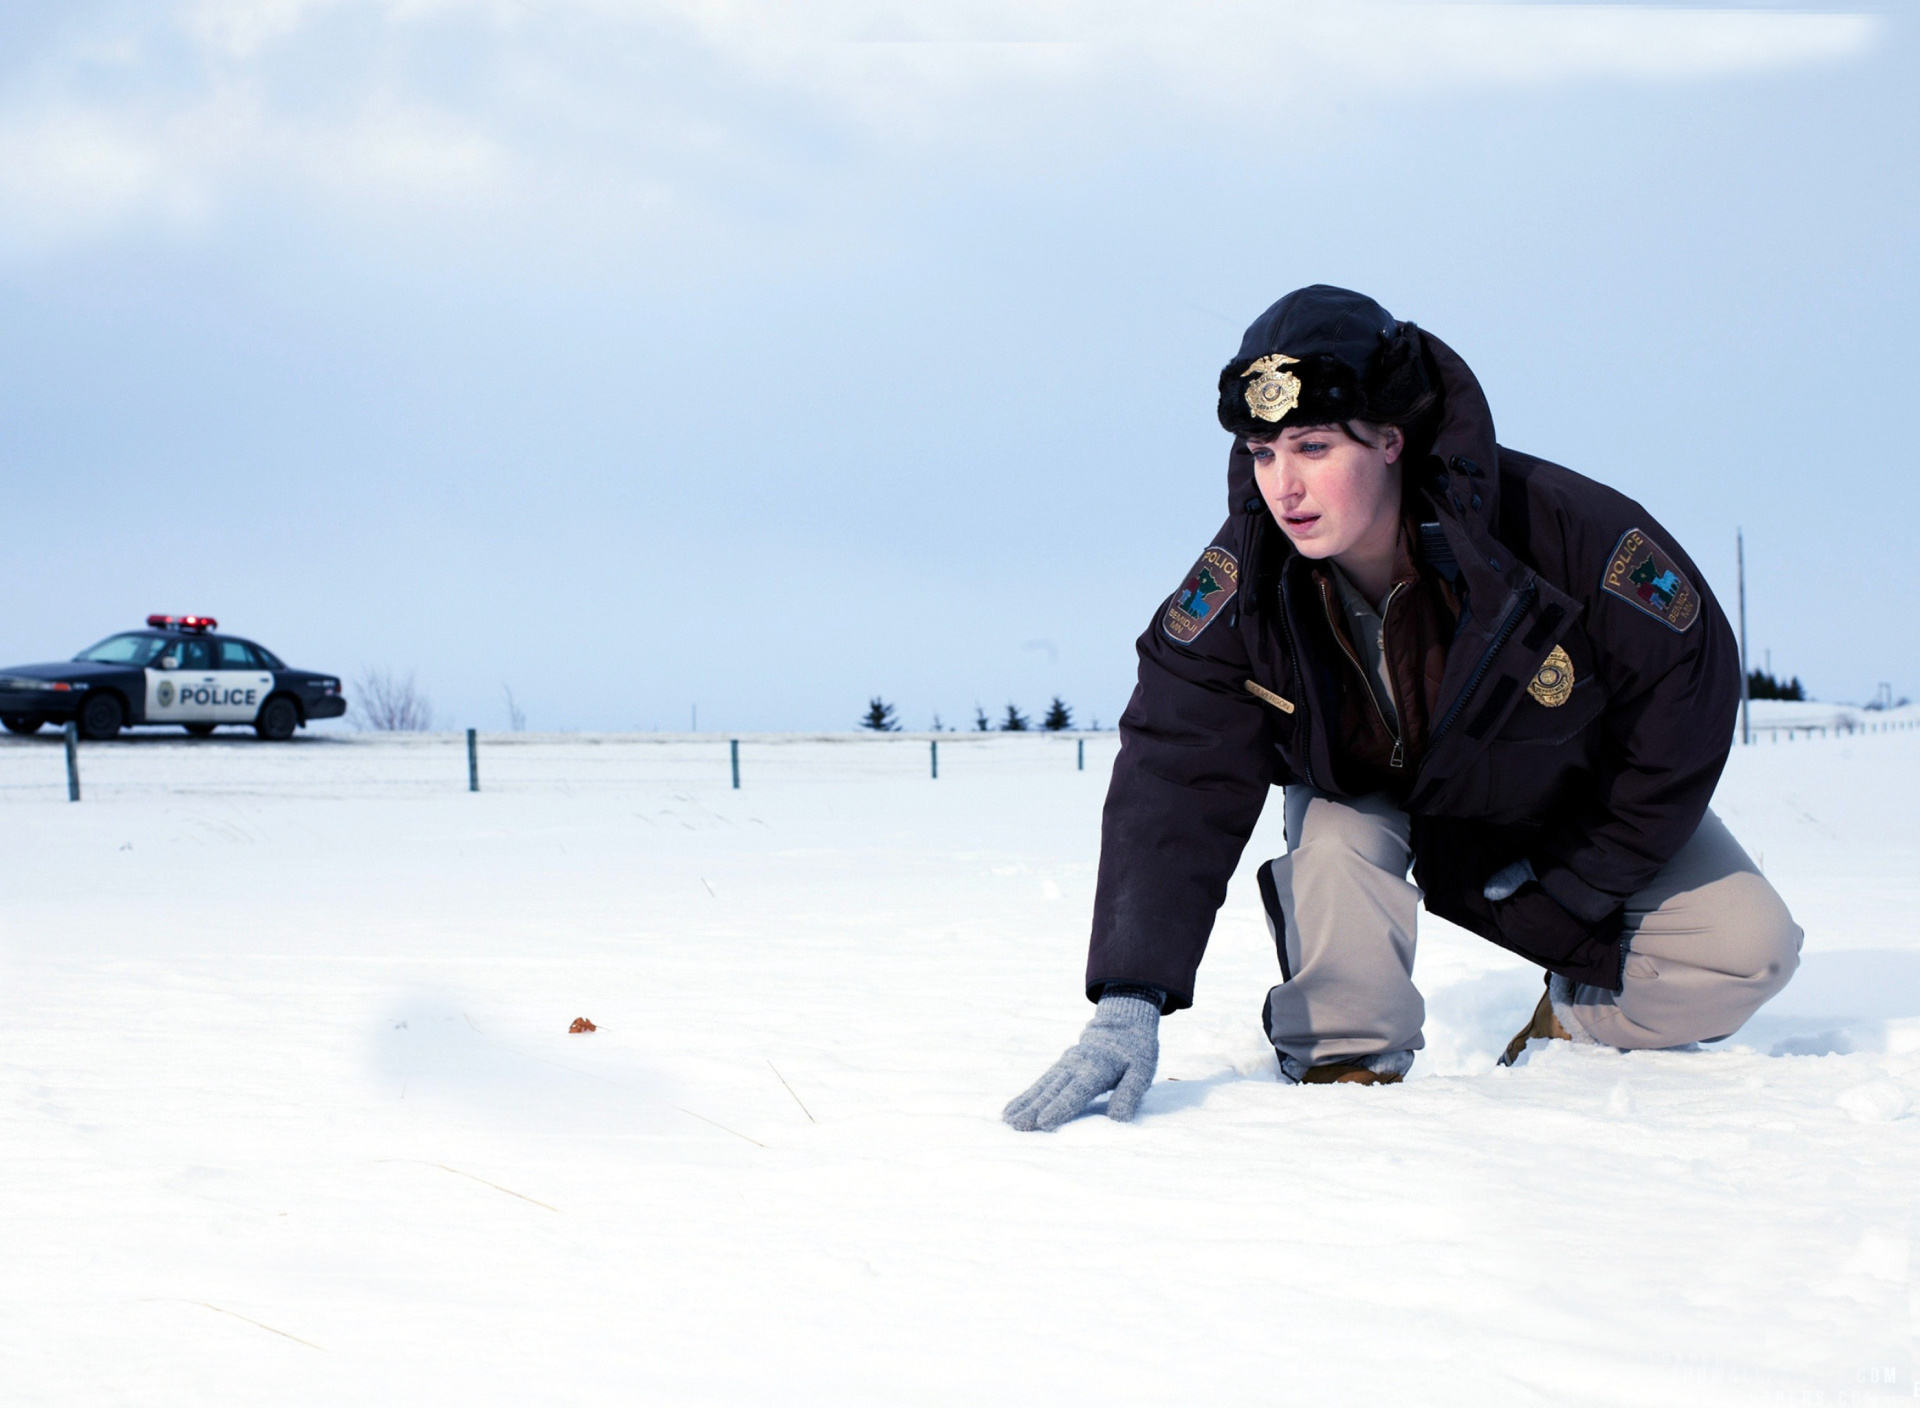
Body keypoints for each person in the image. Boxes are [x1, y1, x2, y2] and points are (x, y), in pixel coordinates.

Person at [1003, 285, 1801, 1133]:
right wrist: (1131, 995)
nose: (1285, 485)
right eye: (1263, 453)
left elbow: (1682, 701)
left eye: (1312, 446)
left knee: (1746, 951)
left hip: (1558, 801)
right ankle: (1347, 1086)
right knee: (1338, 857)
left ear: (1391, 438)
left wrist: (1573, 885)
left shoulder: (1563, 532)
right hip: (1364, 794)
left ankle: (1571, 1027)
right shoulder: (1241, 584)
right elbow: (1174, 762)